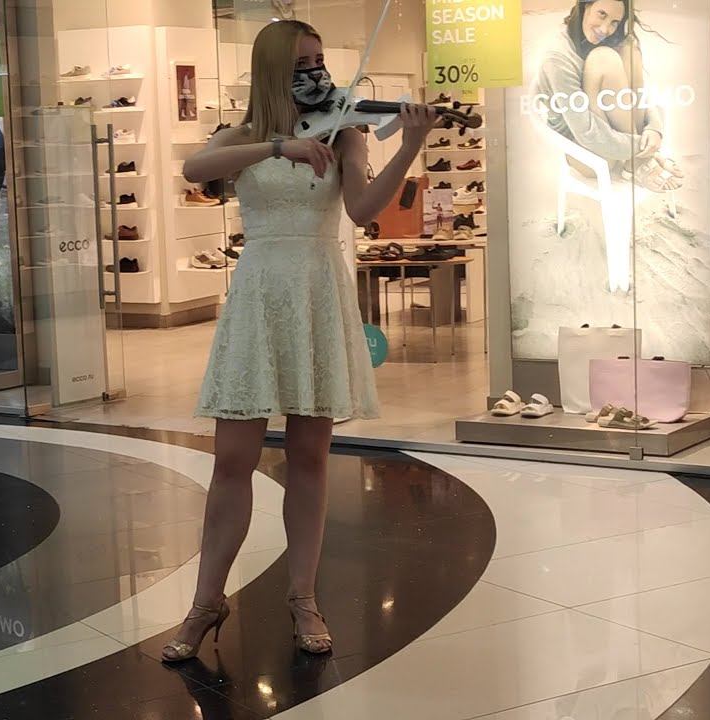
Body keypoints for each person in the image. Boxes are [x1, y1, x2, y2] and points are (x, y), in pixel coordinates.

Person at [161, 19, 436, 662]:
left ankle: (303, 597)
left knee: (310, 458)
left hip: (316, 287)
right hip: (259, 292)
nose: (316, 72)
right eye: (301, 64)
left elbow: (362, 211)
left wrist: (409, 145)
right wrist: (278, 146)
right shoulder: (243, 136)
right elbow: (196, 169)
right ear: (271, 71)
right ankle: (206, 601)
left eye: (320, 59)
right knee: (232, 460)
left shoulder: (345, 129)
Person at [536, 0, 684, 193]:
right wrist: (642, 147)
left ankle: (637, 162)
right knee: (603, 57)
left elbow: (638, 96)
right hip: (583, 151)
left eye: (614, 22)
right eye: (602, 14)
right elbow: (586, 132)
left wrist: (654, 129)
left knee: (630, 49)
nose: (605, 29)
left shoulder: (601, 39)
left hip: (615, 139)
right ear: (585, 6)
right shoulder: (558, 58)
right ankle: (640, 162)